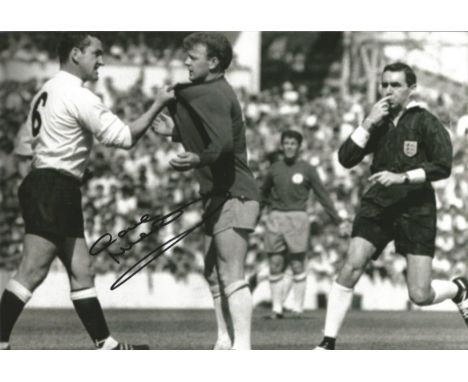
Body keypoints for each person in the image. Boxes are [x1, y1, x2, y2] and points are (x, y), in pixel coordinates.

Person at [0, 32, 173, 350]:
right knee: (32, 270)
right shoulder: (78, 94)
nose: (102, 60)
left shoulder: (47, 89)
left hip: (51, 182)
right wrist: (159, 103)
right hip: (54, 184)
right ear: (76, 54)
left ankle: (105, 344)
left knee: (83, 268)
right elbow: (124, 137)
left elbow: (24, 147)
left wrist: (51, 170)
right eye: (97, 53)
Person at [315, 62, 468, 350]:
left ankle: (459, 289)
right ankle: (327, 342)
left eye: (395, 85)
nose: (388, 90)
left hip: (416, 207)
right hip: (379, 204)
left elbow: (442, 166)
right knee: (351, 265)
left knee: (420, 294)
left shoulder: (424, 121)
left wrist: (403, 176)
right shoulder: (377, 120)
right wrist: (367, 123)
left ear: (411, 89)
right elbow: (346, 159)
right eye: (384, 84)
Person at [152, 32, 260, 350]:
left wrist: (196, 156)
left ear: (213, 62)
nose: (186, 61)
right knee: (213, 272)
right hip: (219, 195)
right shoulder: (212, 90)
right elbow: (211, 137)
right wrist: (176, 134)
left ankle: (242, 348)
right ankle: (225, 340)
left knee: (231, 272)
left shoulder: (214, 92)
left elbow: (223, 144)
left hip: (235, 193)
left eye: (192, 56)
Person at [261, 129, 343, 319]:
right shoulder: (274, 169)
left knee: (297, 264)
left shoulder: (307, 169)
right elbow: (262, 196)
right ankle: (276, 309)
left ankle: (297, 308)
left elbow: (322, 195)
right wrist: (253, 219)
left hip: (298, 217)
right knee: (275, 263)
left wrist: (337, 219)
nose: (289, 147)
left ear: (299, 147)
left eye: (293, 143)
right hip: (276, 217)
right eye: (286, 143)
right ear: (282, 146)